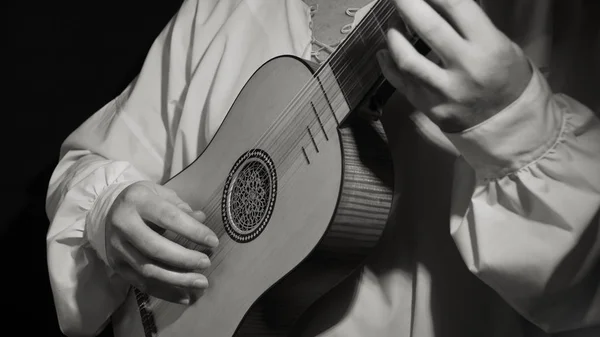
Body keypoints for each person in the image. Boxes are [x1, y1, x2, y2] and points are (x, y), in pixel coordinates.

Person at [45, 0, 600, 336]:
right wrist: (108, 210)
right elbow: (90, 161)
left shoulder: (548, 17)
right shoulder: (216, 9)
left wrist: (519, 125)